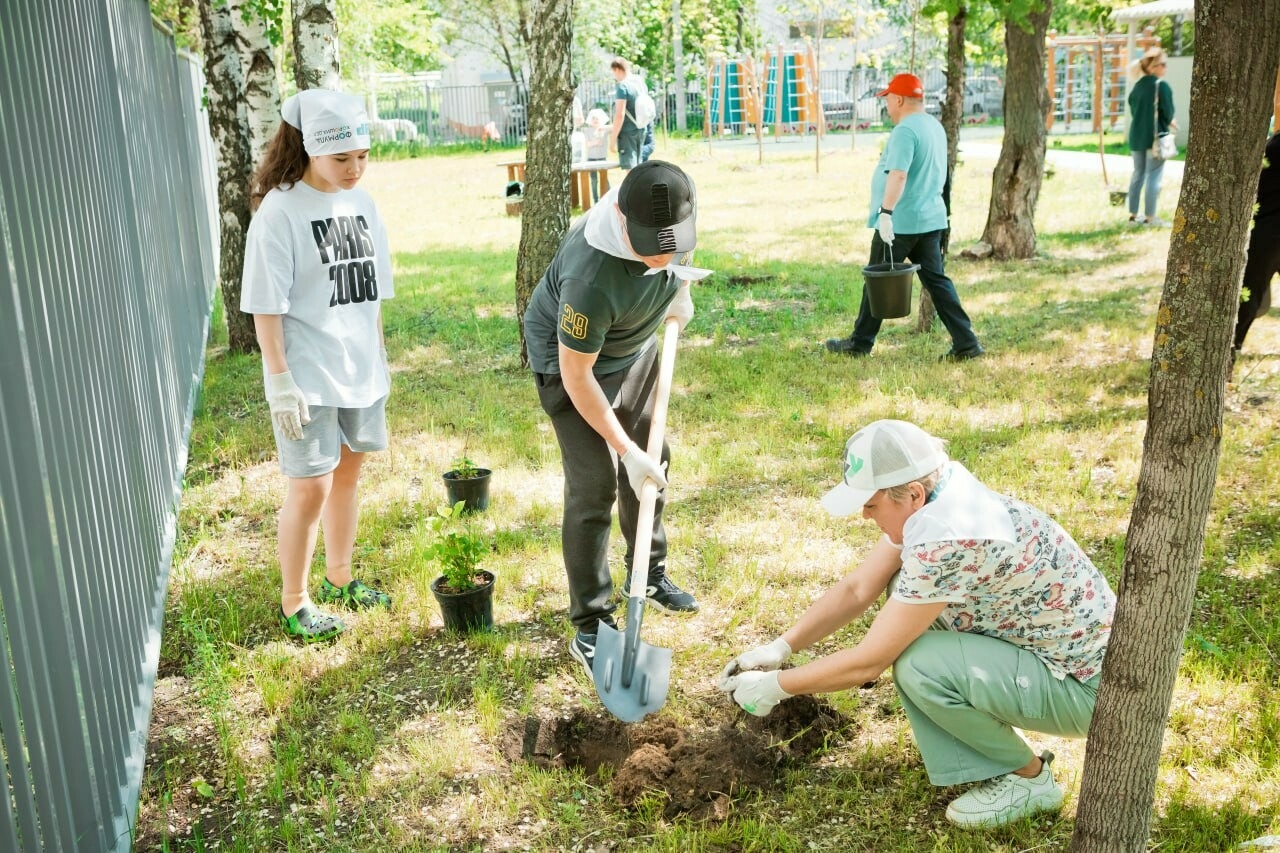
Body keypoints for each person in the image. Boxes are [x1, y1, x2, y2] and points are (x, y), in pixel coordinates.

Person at [718, 419, 1116, 828]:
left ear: (912, 493)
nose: (863, 515)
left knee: (919, 665)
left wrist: (776, 687)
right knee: (899, 587)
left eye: (871, 504)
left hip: (1086, 690)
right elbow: (858, 589)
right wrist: (782, 647)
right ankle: (980, 755)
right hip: (1057, 659)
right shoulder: (938, 495)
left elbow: (867, 663)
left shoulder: (947, 537)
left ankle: (1028, 779)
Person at [523, 160, 708, 675]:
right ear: (623, 222)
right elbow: (577, 376)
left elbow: (683, 249)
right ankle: (591, 622)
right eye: (655, 245)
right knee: (596, 485)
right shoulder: (591, 274)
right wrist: (622, 451)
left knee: (655, 458)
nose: (668, 251)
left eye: (676, 241)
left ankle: (647, 571)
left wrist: (682, 291)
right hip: (573, 367)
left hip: (635, 344)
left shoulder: (674, 199)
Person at [241, 89, 395, 642]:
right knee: (311, 485)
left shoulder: (365, 205)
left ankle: (340, 577)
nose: (354, 169)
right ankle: (295, 600)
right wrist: (279, 382)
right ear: (309, 150)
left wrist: (379, 358)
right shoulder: (281, 211)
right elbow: (265, 305)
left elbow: (372, 294)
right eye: (341, 159)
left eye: (362, 156)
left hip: (359, 369)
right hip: (307, 376)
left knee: (348, 474)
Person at [824, 73, 983, 362]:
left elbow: (898, 174)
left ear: (898, 99)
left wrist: (885, 214)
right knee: (937, 282)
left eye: (887, 100)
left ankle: (860, 343)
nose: (886, 107)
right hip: (930, 218)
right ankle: (966, 342)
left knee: (877, 278)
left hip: (901, 222)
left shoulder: (905, 131)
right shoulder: (934, 127)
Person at [1232, 130, 1280, 363]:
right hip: (1268, 228)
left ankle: (1233, 346)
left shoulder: (1275, 146)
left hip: (1268, 231)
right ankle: (1233, 346)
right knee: (1251, 290)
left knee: (1250, 289)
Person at [1126, 47, 1177, 227]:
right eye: (1163, 64)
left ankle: (1133, 215)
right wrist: (1171, 121)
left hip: (1136, 137)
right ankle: (1150, 217)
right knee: (1154, 176)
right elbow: (1168, 113)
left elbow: (1134, 109)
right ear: (1154, 67)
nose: (1165, 68)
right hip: (1155, 138)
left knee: (1138, 175)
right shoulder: (1160, 86)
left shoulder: (1137, 86)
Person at [609, 58, 647, 170]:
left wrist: (613, 139)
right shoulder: (640, 83)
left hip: (627, 132)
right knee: (639, 166)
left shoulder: (622, 86)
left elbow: (619, 114)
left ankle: (635, 188)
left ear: (617, 70)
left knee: (631, 170)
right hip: (641, 128)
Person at [582, 108, 612, 202]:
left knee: (604, 179)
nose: (595, 120)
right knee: (593, 179)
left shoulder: (604, 130)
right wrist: (596, 142)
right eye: (593, 118)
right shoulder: (587, 130)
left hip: (602, 158)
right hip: (591, 158)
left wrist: (603, 127)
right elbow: (587, 144)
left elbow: (614, 127)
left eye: (597, 118)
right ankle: (595, 199)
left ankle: (609, 196)